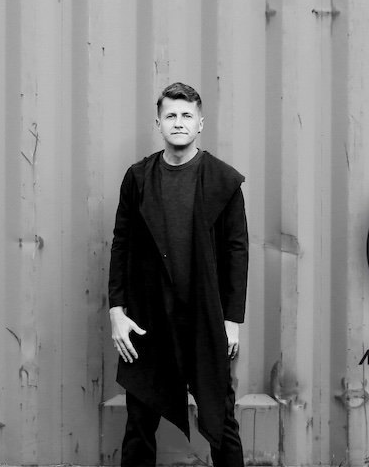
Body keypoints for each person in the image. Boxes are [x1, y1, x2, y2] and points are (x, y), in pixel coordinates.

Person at [108, 82, 249, 467]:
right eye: (170, 115)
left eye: (187, 115)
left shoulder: (223, 181)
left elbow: (237, 252)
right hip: (148, 318)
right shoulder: (138, 178)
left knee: (221, 420)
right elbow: (121, 244)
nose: (179, 122)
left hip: (205, 317)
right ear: (158, 123)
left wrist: (232, 321)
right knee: (139, 421)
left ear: (200, 123)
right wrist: (117, 311)